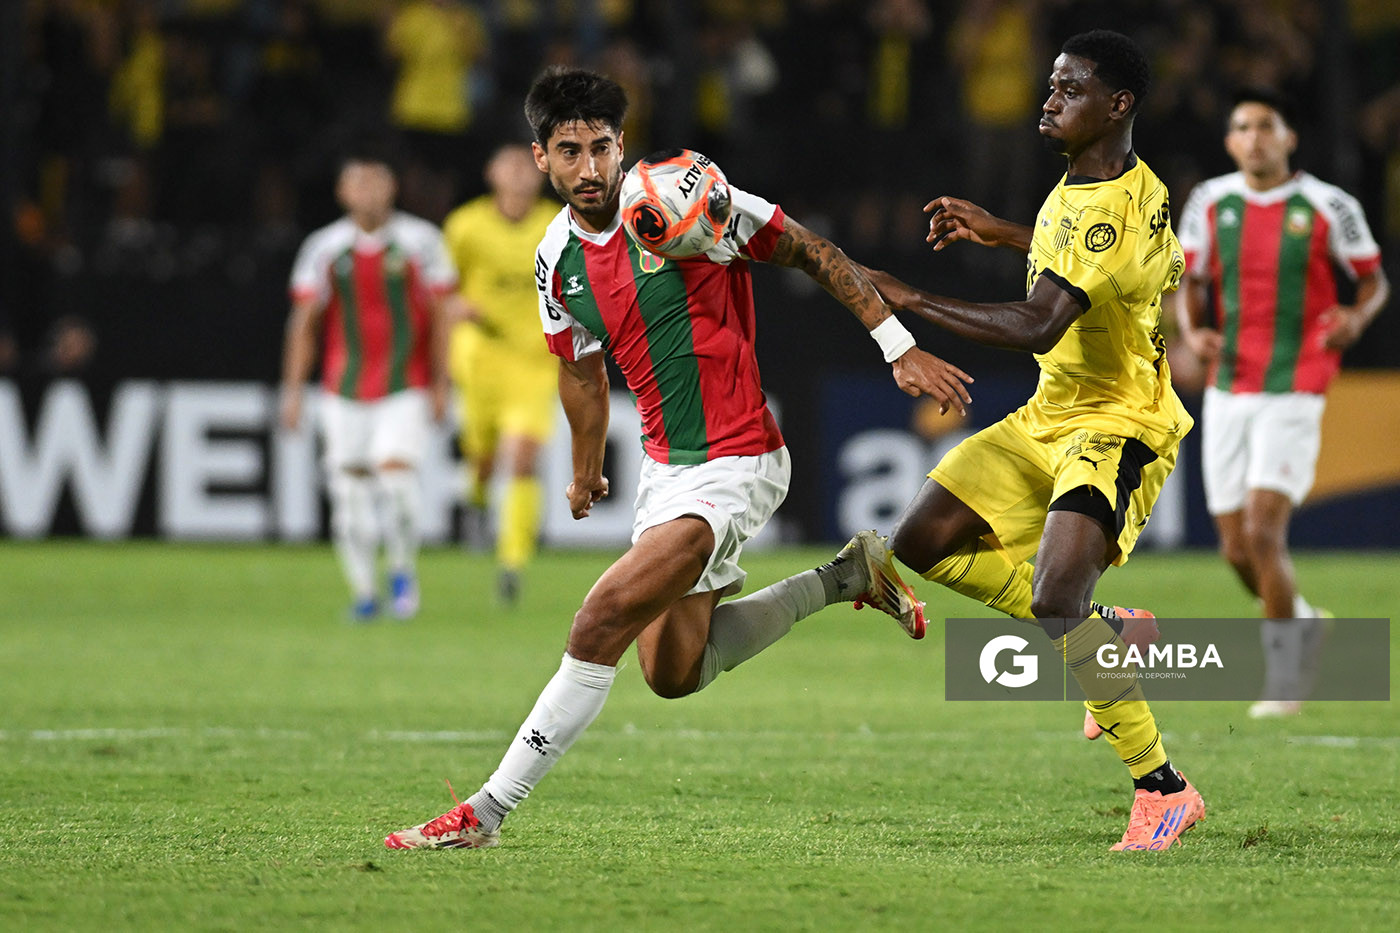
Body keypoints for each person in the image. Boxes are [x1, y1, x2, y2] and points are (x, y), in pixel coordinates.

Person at [383, 65, 973, 849]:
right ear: (540, 158)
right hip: (667, 472)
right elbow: (580, 369)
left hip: (738, 459)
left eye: (601, 147)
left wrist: (895, 347)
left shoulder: (683, 202)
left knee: (600, 618)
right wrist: (587, 466)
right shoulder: (555, 258)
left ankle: (484, 812)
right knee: (673, 672)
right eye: (569, 151)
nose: (589, 168)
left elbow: (811, 250)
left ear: (621, 144)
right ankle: (844, 577)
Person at [859, 30, 1206, 851]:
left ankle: (1163, 787)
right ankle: (1109, 631)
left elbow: (1039, 320)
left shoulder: (1110, 208)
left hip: (1118, 424)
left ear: (1118, 104)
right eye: (1051, 85)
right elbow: (1095, 257)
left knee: (1055, 600)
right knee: (923, 539)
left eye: (1070, 88)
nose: (1048, 99)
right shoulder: (1099, 179)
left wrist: (908, 296)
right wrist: (1003, 231)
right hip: (1053, 411)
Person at [1175, 88, 1389, 718]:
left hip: (1297, 381)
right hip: (1228, 383)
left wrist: (1356, 316)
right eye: (1242, 127)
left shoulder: (1328, 204)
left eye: (1267, 125)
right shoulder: (1210, 201)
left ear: (1289, 136)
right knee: (1235, 550)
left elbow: (1374, 279)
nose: (1255, 138)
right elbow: (1192, 280)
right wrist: (1193, 333)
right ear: (1230, 142)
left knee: (1265, 532)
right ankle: (1302, 621)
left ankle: (1286, 675)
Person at [281, 147, 456, 622]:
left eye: (376, 181)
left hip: (405, 385)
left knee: (396, 482)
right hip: (342, 390)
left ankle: (401, 570)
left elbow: (443, 317)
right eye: (357, 182)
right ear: (342, 192)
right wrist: (292, 392)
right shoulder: (324, 247)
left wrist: (442, 383)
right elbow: (304, 323)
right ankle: (363, 593)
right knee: (349, 499)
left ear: (392, 188)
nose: (367, 191)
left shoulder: (422, 242)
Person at [441, 143, 562, 604]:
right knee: (483, 457)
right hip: (479, 356)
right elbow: (441, 289)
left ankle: (512, 560)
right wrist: (455, 306)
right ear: (491, 173)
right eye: (507, 166)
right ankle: (475, 500)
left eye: (525, 168)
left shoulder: (555, 225)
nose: (517, 175)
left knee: (523, 456)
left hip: (533, 360)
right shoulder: (465, 226)